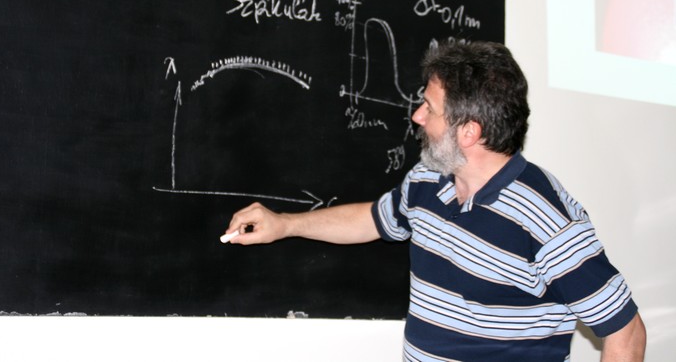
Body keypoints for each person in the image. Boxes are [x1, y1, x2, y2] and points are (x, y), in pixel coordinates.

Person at [224, 39, 647, 361]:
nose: (417, 116)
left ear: (469, 132)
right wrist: (285, 223)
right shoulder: (428, 180)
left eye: (429, 107)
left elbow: (626, 333)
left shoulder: (546, 218)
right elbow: (372, 219)